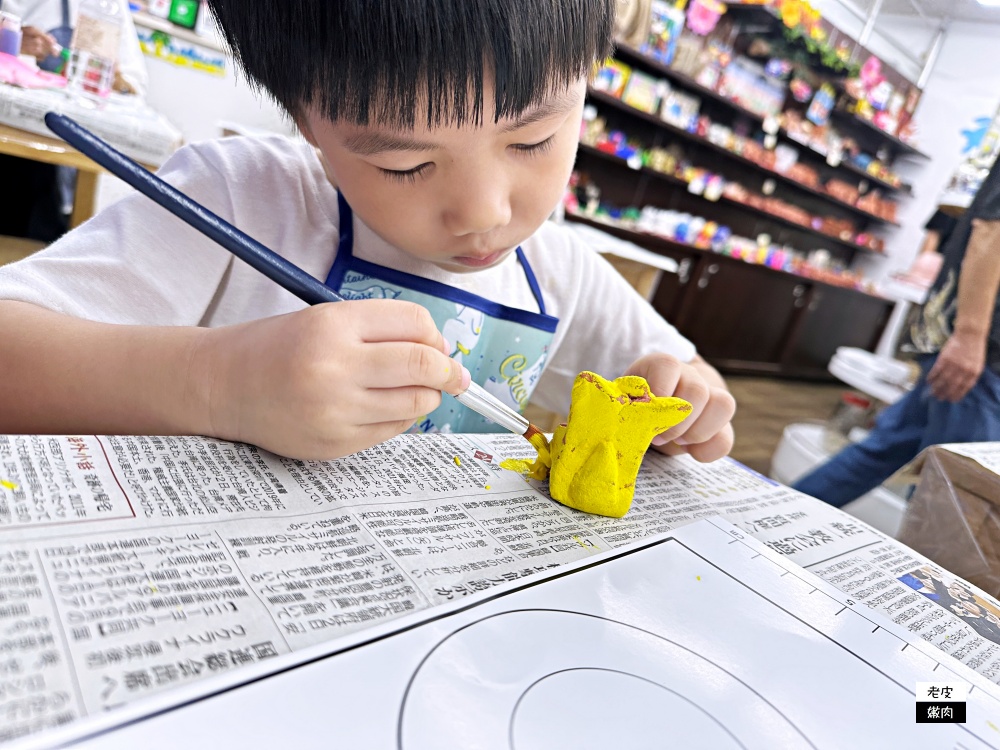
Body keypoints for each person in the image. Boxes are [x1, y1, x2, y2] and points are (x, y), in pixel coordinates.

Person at [0, 0, 736, 463]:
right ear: (306, 122)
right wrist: (219, 383)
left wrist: (690, 402)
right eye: (409, 165)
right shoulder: (238, 198)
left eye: (534, 140)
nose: (483, 212)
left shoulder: (557, 266)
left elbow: (679, 375)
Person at [793, 159, 1000, 506]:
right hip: (984, 354)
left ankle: (766, 526)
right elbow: (991, 232)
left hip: (977, 350)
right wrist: (969, 335)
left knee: (887, 451)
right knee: (956, 496)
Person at [0, 0, 148, 242]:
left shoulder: (109, 6)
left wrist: (113, 78)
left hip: (61, 162)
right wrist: (10, 45)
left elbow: (135, 87)